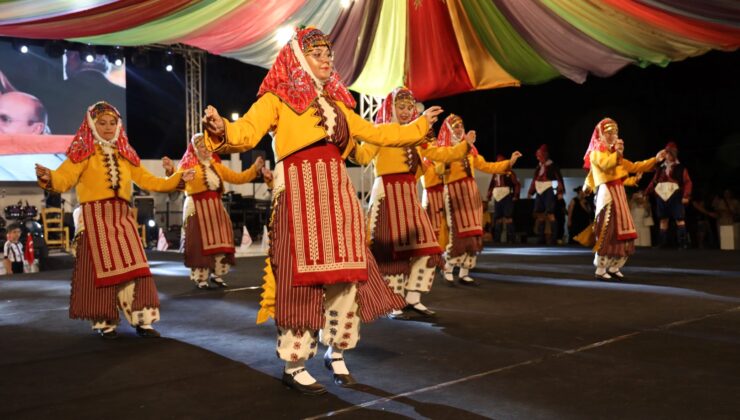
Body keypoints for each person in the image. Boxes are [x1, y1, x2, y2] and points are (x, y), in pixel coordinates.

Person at [200, 27, 443, 395]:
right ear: (299, 59)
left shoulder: (339, 104)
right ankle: (294, 362)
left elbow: (378, 134)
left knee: (346, 278)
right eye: (318, 54)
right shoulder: (277, 98)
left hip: (337, 195)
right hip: (297, 194)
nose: (327, 59)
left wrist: (420, 126)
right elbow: (247, 132)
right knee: (302, 280)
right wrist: (222, 128)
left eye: (329, 54)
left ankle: (338, 351)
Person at [35, 101, 194, 339]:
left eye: (112, 123)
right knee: (101, 271)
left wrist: (178, 177)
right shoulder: (82, 153)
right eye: (102, 123)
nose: (108, 127)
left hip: (121, 217)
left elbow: (150, 181)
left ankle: (143, 320)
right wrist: (49, 176)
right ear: (92, 124)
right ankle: (105, 322)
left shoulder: (125, 154)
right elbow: (64, 178)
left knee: (137, 267)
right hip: (94, 217)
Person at [352, 87, 472, 320]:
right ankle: (393, 301)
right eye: (401, 107)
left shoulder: (417, 133)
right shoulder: (382, 131)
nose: (406, 112)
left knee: (427, 249)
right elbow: (363, 156)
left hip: (409, 194)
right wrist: (346, 142)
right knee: (390, 252)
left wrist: (464, 146)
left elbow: (439, 154)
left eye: (410, 107)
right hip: (387, 193)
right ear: (390, 108)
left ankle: (413, 298)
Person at [163, 133, 270, 289]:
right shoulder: (187, 165)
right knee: (199, 242)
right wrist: (170, 170)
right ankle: (201, 277)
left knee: (221, 239)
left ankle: (217, 274)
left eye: (208, 147)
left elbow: (237, 178)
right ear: (195, 148)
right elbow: (176, 180)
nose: (205, 150)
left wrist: (255, 169)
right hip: (196, 206)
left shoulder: (216, 166)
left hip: (215, 206)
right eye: (201, 146)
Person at [437, 114, 522, 286]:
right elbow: (440, 169)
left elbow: (488, 166)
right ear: (448, 130)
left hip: (471, 193)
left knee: (474, 232)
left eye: (461, 126)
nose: (459, 129)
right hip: (454, 192)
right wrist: (464, 145)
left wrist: (509, 162)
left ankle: (464, 271)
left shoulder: (470, 151)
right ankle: (447, 267)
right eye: (455, 127)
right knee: (457, 233)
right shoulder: (444, 150)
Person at [583, 118, 664, 281]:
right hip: (607, 196)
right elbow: (606, 166)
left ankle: (614, 266)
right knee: (608, 231)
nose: (613, 136)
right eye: (609, 133)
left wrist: (655, 160)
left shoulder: (615, 155)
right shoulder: (596, 153)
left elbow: (634, 166)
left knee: (625, 232)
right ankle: (600, 268)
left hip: (619, 195)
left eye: (615, 133)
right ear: (601, 134)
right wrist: (618, 154)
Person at [646, 142, 692, 249]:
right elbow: (654, 182)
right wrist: (646, 193)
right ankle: (663, 243)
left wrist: (686, 196)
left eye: (670, 153)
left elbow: (688, 182)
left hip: (675, 195)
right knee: (663, 219)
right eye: (666, 153)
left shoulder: (681, 168)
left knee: (679, 219)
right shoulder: (660, 168)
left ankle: (683, 242)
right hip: (661, 196)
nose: (668, 156)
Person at [527, 144, 564, 245]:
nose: (538, 157)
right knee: (540, 214)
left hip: (548, 190)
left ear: (544, 155)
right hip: (539, 190)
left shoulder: (552, 166)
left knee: (550, 213)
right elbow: (535, 180)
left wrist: (560, 192)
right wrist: (531, 191)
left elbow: (559, 179)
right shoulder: (538, 167)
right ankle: (541, 238)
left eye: (539, 155)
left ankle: (553, 238)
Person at [486, 154, 521, 244]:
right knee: (498, 217)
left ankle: (511, 239)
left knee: (508, 217)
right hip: (497, 195)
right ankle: (497, 239)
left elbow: (516, 184)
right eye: (498, 162)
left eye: (501, 162)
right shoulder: (495, 173)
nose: (499, 163)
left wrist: (516, 195)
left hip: (507, 194)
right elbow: (492, 185)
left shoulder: (509, 172)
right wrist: (489, 195)